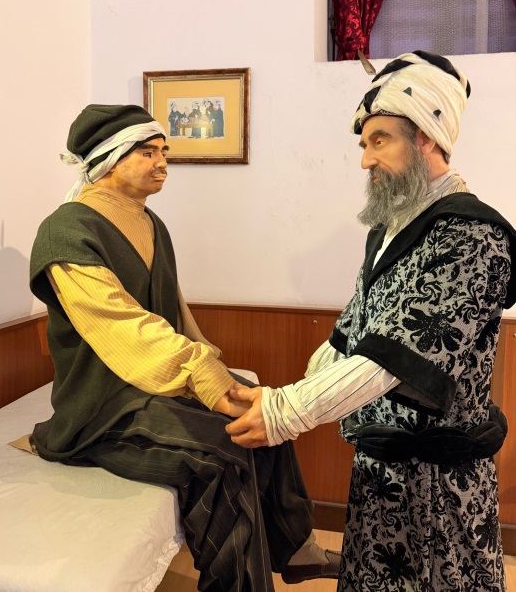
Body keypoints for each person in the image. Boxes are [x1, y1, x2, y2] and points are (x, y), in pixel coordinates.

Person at [226, 51, 516, 591]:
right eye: (364, 144)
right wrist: (277, 397)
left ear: (426, 137)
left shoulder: (472, 236)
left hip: (438, 489)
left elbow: (392, 361)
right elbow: (352, 336)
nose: (365, 160)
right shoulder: (391, 228)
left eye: (379, 140)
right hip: (380, 473)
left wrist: (287, 412)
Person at [28, 104, 341, 592]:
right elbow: (120, 323)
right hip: (102, 408)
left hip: (153, 387)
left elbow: (172, 309)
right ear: (109, 159)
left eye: (164, 152)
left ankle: (297, 548)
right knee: (224, 452)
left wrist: (214, 367)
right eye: (148, 153)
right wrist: (200, 373)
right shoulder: (66, 231)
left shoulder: (152, 224)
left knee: (265, 414)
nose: (162, 164)